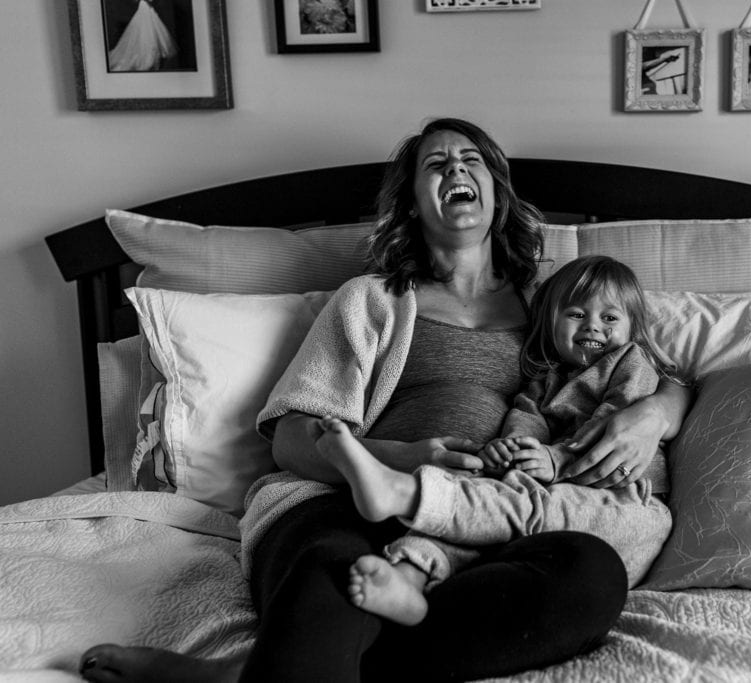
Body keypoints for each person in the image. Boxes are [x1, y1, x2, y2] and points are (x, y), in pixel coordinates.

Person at [79, 117, 691, 682]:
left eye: (470, 159)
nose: (455, 170)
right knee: (338, 568)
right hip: (351, 501)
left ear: (498, 192)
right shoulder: (372, 300)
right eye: (436, 164)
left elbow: (660, 369)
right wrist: (396, 457)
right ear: (411, 203)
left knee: (591, 574)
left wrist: (653, 415)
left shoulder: (564, 300)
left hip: (501, 515)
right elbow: (293, 437)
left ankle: (238, 675)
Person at [318, 255, 680, 626]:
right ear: (549, 321)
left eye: (609, 318)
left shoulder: (630, 360)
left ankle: (406, 494)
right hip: (551, 501)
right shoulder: (546, 380)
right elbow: (526, 420)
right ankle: (409, 575)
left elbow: (614, 419)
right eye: (576, 314)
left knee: (515, 507)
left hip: (628, 506)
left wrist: (556, 459)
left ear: (633, 327)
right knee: (486, 518)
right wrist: (511, 450)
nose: (593, 326)